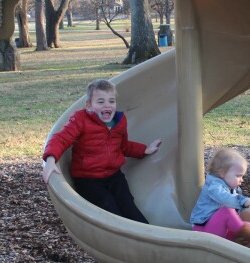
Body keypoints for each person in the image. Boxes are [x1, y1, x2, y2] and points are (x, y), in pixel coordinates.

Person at [42, 79, 161, 223]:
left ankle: (147, 235)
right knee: (108, 206)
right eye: (100, 102)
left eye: (111, 101)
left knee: (128, 205)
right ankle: (122, 239)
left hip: (114, 176)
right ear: (89, 106)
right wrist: (50, 159)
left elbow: (123, 146)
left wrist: (144, 150)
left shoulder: (119, 122)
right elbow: (61, 138)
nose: (107, 105)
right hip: (88, 179)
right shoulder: (80, 120)